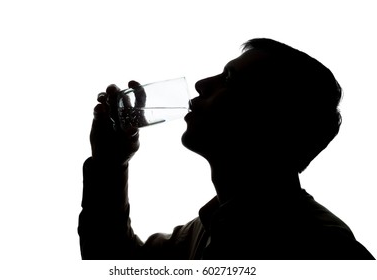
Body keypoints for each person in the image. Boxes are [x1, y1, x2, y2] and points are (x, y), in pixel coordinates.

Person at [78, 38, 375, 260]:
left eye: (230, 80)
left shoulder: (325, 249)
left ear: (272, 118)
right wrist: (110, 161)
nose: (202, 84)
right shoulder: (205, 229)